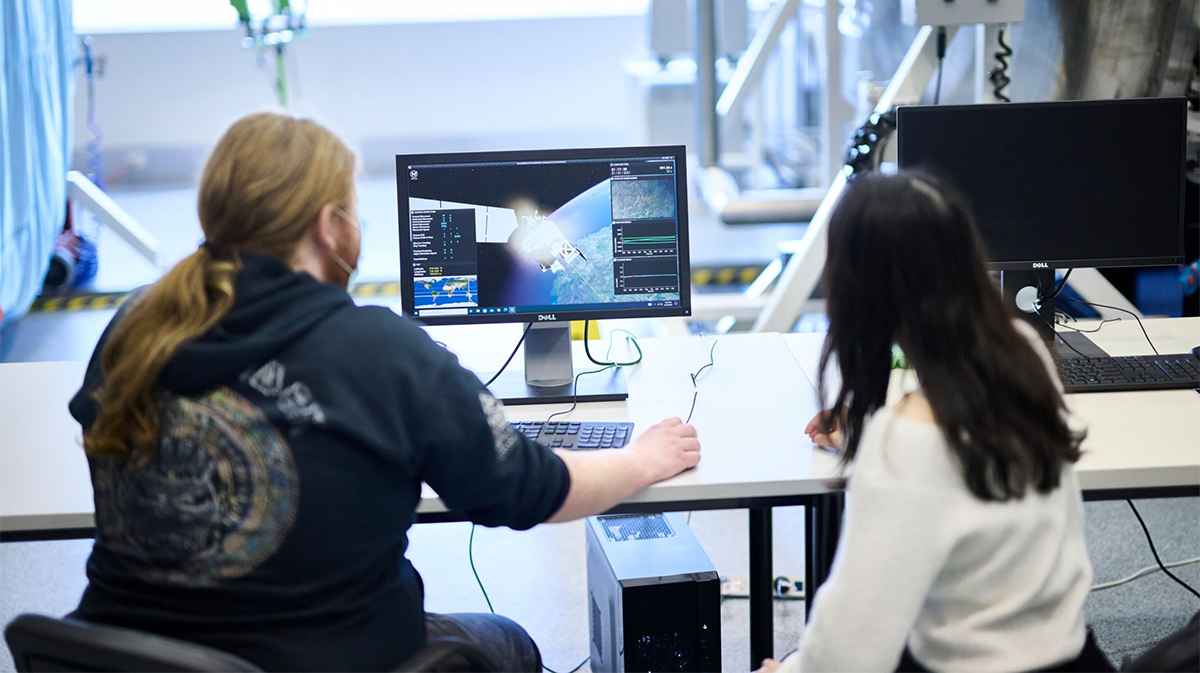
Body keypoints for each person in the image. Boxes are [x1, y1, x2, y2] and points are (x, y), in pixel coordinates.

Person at [67, 112, 700, 672]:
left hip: (127, 653)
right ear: (328, 227)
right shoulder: (380, 351)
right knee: (509, 643)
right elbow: (533, 489)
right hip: (322, 656)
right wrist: (640, 460)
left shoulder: (137, 327)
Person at [760, 172, 1109, 672]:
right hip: (1075, 659)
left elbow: (848, 656)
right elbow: (959, 473)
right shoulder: (1025, 354)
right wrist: (869, 441)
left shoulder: (906, 441)